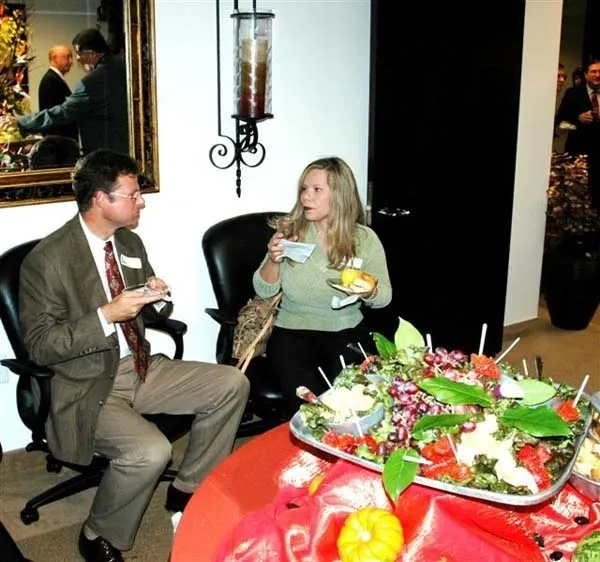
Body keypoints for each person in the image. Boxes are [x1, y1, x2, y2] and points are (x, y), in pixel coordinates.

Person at [18, 149, 250, 562]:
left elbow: (144, 307)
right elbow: (40, 345)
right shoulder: (47, 261)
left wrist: (155, 296)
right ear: (100, 200)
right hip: (87, 382)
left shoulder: (128, 241)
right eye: (132, 194)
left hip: (141, 367)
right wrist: (106, 315)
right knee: (151, 451)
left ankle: (188, 489)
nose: (141, 201)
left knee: (232, 383)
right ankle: (96, 534)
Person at [253, 156, 392, 417]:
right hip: (293, 330)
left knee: (357, 400)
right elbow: (264, 290)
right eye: (304, 189)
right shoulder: (290, 233)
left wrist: (369, 290)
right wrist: (273, 259)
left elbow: (384, 297)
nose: (306, 197)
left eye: (317, 190)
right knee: (312, 405)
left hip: (347, 329)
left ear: (339, 195)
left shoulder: (364, 239)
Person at [0, 29, 128, 155]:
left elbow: (63, 112)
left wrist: (22, 121)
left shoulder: (92, 81)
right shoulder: (125, 66)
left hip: (106, 153)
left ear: (92, 54)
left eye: (78, 53)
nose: (77, 59)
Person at [555, 58, 600, 208]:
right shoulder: (572, 93)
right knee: (576, 197)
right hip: (578, 153)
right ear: (586, 75)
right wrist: (577, 117)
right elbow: (560, 118)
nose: (597, 75)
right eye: (594, 71)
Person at [37, 45, 79, 142]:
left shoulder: (54, 79)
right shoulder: (50, 81)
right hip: (60, 142)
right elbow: (53, 115)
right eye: (67, 57)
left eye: (71, 57)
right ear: (54, 59)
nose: (71, 61)